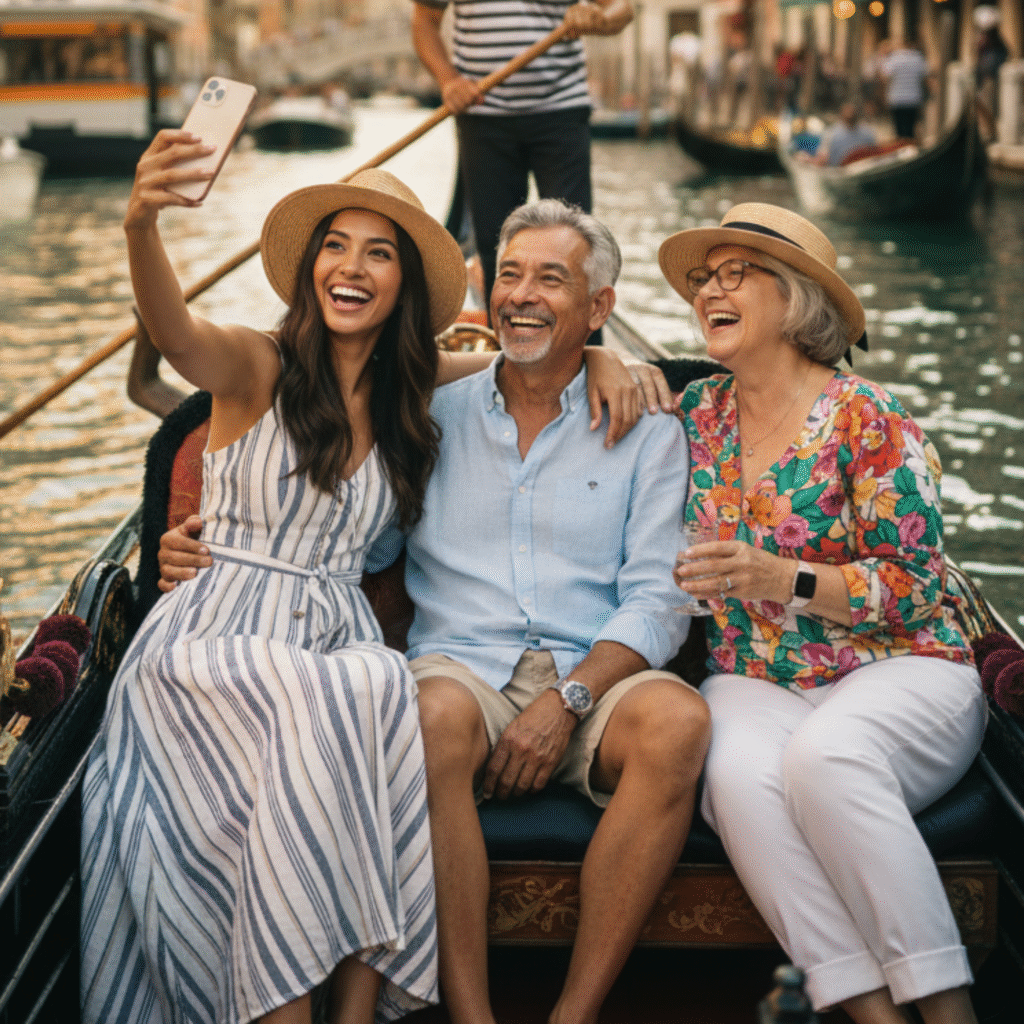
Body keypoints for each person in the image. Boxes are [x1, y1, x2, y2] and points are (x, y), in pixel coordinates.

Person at [160, 199, 709, 1024]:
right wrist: (212, 539)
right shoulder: (427, 411)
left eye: (551, 279)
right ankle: (471, 1016)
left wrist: (570, 700)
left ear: (599, 310)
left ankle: (575, 1013)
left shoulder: (648, 430)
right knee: (426, 712)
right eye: (510, 275)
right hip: (465, 671)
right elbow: (350, 537)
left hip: (594, 676)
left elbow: (660, 599)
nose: (522, 295)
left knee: (681, 722)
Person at [81, 133, 473, 1024]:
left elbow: (519, 370)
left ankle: (347, 1012)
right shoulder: (257, 367)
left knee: (376, 680)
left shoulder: (413, 395)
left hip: (330, 640)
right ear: (310, 269)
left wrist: (601, 360)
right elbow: (175, 331)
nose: (352, 266)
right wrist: (141, 221)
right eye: (336, 245)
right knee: (336, 692)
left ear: (402, 285)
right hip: (212, 644)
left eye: (379, 253)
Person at [658, 203, 986, 1024]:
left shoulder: (866, 417)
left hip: (902, 666)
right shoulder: (694, 412)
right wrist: (600, 362)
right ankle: (870, 1013)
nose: (710, 290)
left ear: (798, 299)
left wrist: (783, 576)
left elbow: (915, 588)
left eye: (738, 273)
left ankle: (949, 1012)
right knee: (730, 775)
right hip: (756, 674)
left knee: (827, 757)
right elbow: (568, 376)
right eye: (706, 276)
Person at [410, 0, 634, 306]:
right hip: (482, 115)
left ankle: (585, 348)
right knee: (495, 248)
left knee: (575, 243)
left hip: (561, 112)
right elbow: (425, 19)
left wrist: (597, 18)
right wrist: (448, 80)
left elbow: (622, 8)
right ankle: (508, 346)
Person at [881, 36, 932, 140]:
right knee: (910, 129)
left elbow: (885, 77)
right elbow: (925, 78)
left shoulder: (894, 58)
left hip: (896, 99)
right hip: (913, 99)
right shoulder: (918, 58)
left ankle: (901, 149)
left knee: (899, 130)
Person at [815, 101, 877, 167]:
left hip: (864, 170)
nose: (850, 112)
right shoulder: (831, 134)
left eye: (852, 110)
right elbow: (822, 159)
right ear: (841, 113)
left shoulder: (867, 133)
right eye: (847, 110)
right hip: (839, 172)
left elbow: (875, 154)